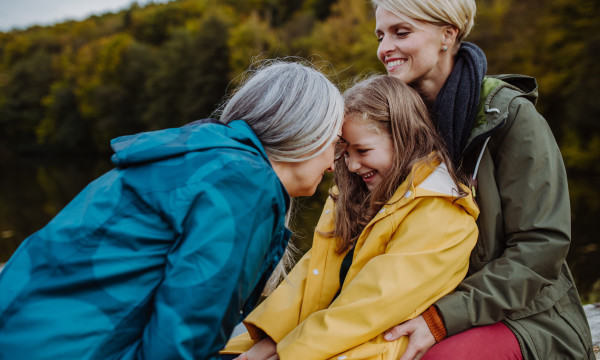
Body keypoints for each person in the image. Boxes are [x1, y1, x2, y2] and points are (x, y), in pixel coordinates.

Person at [0, 61, 344, 359]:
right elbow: (183, 337)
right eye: (334, 143)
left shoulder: (205, 159)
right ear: (305, 133)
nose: (333, 164)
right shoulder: (243, 185)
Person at [371, 0, 596, 359]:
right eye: (381, 35)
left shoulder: (511, 117)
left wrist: (442, 317)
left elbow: (542, 246)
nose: (384, 49)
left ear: (448, 34)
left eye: (401, 32)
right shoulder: (388, 125)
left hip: (528, 316)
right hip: (417, 303)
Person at [221, 75, 479, 360]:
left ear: (406, 137)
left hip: (363, 350)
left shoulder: (442, 212)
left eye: (363, 151)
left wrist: (287, 354)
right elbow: (311, 275)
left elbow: (370, 306)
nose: (352, 165)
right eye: (344, 152)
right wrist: (268, 343)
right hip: (309, 345)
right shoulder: (351, 195)